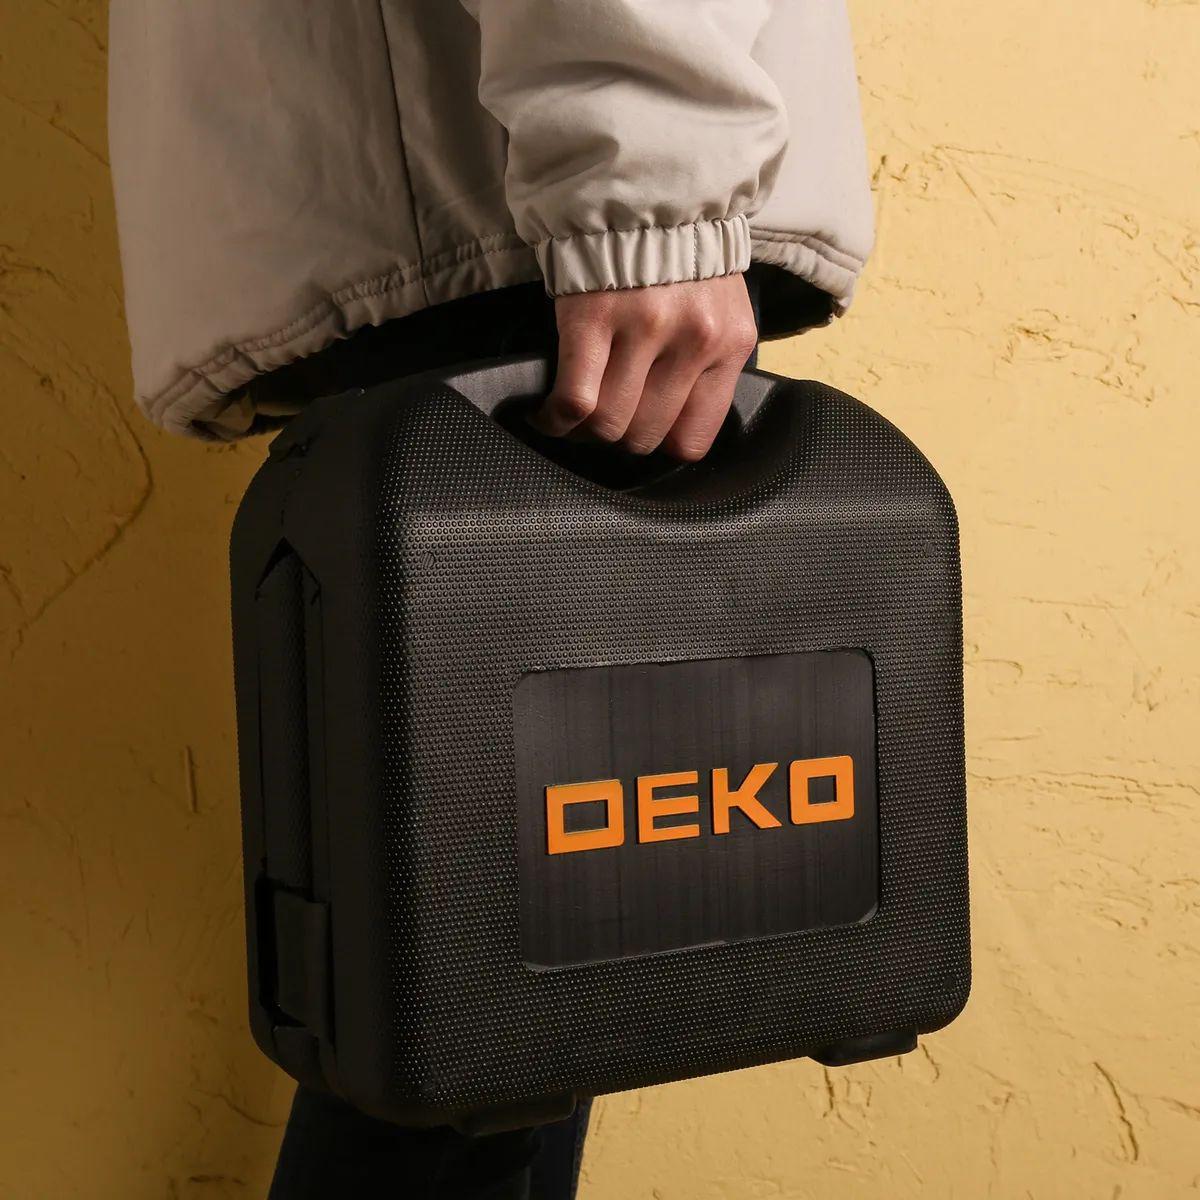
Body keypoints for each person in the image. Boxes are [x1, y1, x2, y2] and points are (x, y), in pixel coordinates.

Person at [108, 2, 874, 1195]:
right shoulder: (620, 219)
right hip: (522, 227)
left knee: (468, 1035)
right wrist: (653, 199)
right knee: (478, 1036)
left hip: (454, 206)